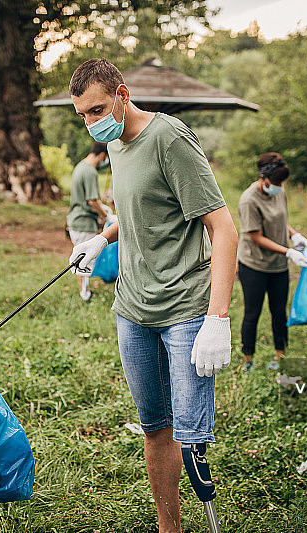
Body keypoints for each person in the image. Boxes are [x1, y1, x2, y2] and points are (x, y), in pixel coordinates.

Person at [67, 58, 239, 533]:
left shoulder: (169, 138)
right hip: (133, 308)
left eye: (98, 108)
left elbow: (223, 228)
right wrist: (102, 238)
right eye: (83, 114)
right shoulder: (116, 144)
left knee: (190, 434)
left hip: (184, 306)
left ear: (123, 95)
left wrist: (217, 318)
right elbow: (143, 209)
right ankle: (170, 527)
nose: (92, 122)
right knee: (154, 426)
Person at [236, 153, 307, 371]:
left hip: (278, 266)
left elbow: (283, 220)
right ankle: (248, 361)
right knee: (253, 312)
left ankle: (281, 357)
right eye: (274, 182)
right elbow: (255, 236)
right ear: (263, 177)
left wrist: (294, 235)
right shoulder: (249, 200)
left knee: (279, 312)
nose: (278, 187)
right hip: (254, 265)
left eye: (280, 183)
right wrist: (288, 251)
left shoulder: (279, 191)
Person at [66, 141, 116, 300]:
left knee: (80, 256)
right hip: (84, 222)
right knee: (84, 259)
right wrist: (106, 215)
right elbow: (92, 201)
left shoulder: (80, 166)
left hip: (75, 220)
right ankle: (85, 293)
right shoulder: (90, 172)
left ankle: (84, 291)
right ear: (102, 155)